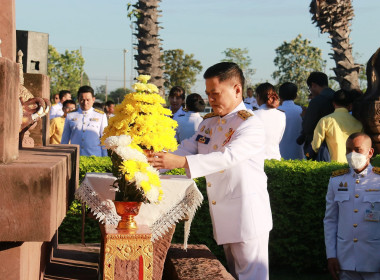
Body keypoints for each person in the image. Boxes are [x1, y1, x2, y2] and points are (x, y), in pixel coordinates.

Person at [148, 62, 272, 280]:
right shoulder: (209, 123)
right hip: (225, 213)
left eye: (215, 94)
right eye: (208, 94)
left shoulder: (250, 124)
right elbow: (188, 146)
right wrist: (155, 157)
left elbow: (227, 157)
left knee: (251, 276)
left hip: (247, 214)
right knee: (233, 274)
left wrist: (180, 162)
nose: (209, 100)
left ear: (237, 90)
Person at [324, 132, 380, 280]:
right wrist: (331, 255)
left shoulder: (378, 180)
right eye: (348, 150)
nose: (352, 154)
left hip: (374, 259)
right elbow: (330, 220)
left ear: (370, 152)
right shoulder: (336, 180)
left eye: (357, 149)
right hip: (345, 259)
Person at [311, 90, 363, 163]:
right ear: (350, 105)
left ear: (333, 103)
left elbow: (316, 146)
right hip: (353, 165)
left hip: (333, 166)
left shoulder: (325, 120)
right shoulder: (358, 123)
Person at [61, 86, 108, 156]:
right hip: (75, 156)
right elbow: (65, 139)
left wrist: (105, 157)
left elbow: (104, 139)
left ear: (93, 99)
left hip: (94, 156)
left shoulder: (101, 115)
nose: (85, 103)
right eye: (82, 100)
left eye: (88, 100)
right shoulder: (71, 115)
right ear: (78, 99)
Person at [298, 72, 335, 156]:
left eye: (309, 88)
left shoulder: (317, 101)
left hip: (318, 147)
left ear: (313, 85)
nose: (310, 91)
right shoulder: (336, 96)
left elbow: (308, 127)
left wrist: (304, 116)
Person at [255, 82, 286, 160]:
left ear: (258, 96)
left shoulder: (252, 115)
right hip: (275, 158)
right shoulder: (282, 115)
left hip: (257, 160)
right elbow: (279, 138)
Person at [278, 82, 304, 160]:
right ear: (296, 96)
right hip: (299, 154)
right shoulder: (302, 111)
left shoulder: (275, 111)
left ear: (279, 96)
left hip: (279, 156)